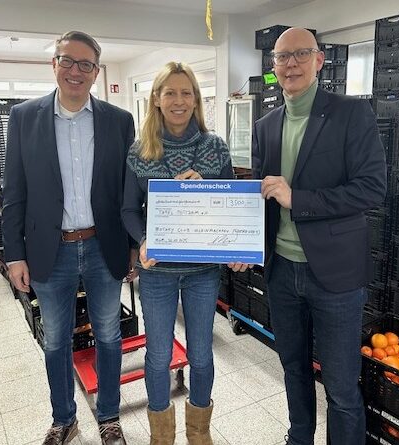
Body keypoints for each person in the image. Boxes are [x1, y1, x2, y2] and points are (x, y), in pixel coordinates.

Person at [252, 28, 387, 445]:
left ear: (319, 60)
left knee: (341, 385)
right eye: (282, 57)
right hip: (280, 270)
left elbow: (372, 188)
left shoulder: (351, 114)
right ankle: (299, 438)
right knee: (293, 368)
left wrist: (299, 199)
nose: (290, 63)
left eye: (300, 54)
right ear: (273, 66)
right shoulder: (265, 125)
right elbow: (260, 196)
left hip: (335, 274)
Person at [2, 31, 135, 445]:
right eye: (67, 61)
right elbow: (14, 192)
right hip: (49, 249)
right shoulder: (25, 117)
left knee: (109, 334)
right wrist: (14, 255)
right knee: (56, 339)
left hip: (103, 246)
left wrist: (134, 245)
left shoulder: (119, 121)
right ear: (54, 64)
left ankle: (109, 416)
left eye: (85, 64)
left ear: (96, 71)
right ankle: (64, 419)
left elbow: (128, 191)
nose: (75, 71)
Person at [122, 61, 245, 445]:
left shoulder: (215, 147)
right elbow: (128, 209)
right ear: (156, 99)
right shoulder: (141, 150)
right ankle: (162, 437)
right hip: (157, 271)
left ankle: (199, 433)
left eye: (186, 92)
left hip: (203, 271)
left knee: (202, 354)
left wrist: (206, 185)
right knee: (158, 356)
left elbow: (231, 207)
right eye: (170, 93)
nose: (178, 100)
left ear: (196, 99)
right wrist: (143, 240)